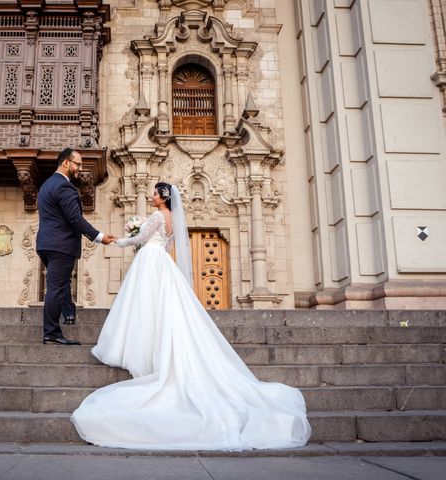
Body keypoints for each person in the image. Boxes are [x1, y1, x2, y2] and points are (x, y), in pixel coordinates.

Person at [71, 182, 312, 450]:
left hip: (150, 261)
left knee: (145, 307)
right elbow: (164, 241)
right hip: (161, 261)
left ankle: (144, 349)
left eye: (154, 194)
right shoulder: (173, 219)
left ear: (163, 197)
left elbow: (141, 240)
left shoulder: (156, 216)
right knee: (160, 307)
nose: (151, 197)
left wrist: (116, 240)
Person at [36, 148, 115, 345]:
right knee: (55, 288)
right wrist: (99, 236)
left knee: (61, 284)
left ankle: (68, 313)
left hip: (47, 244)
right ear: (65, 163)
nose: (80, 168)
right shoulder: (65, 187)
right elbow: (75, 218)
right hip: (61, 245)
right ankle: (51, 332)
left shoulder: (47, 185)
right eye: (77, 164)